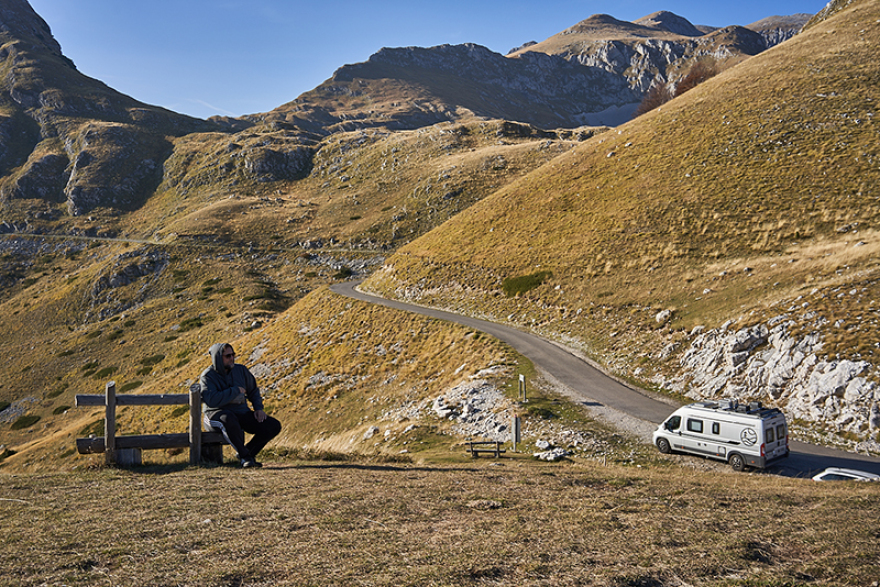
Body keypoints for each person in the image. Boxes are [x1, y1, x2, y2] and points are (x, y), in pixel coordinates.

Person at [200, 342, 281, 468]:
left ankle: (247, 453)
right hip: (215, 415)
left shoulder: (241, 370)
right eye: (228, 356)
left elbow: (253, 390)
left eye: (233, 355)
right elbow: (212, 400)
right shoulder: (208, 376)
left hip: (241, 412)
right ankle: (246, 457)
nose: (232, 358)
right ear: (218, 358)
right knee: (228, 418)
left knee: (273, 425)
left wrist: (258, 408)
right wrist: (235, 391)